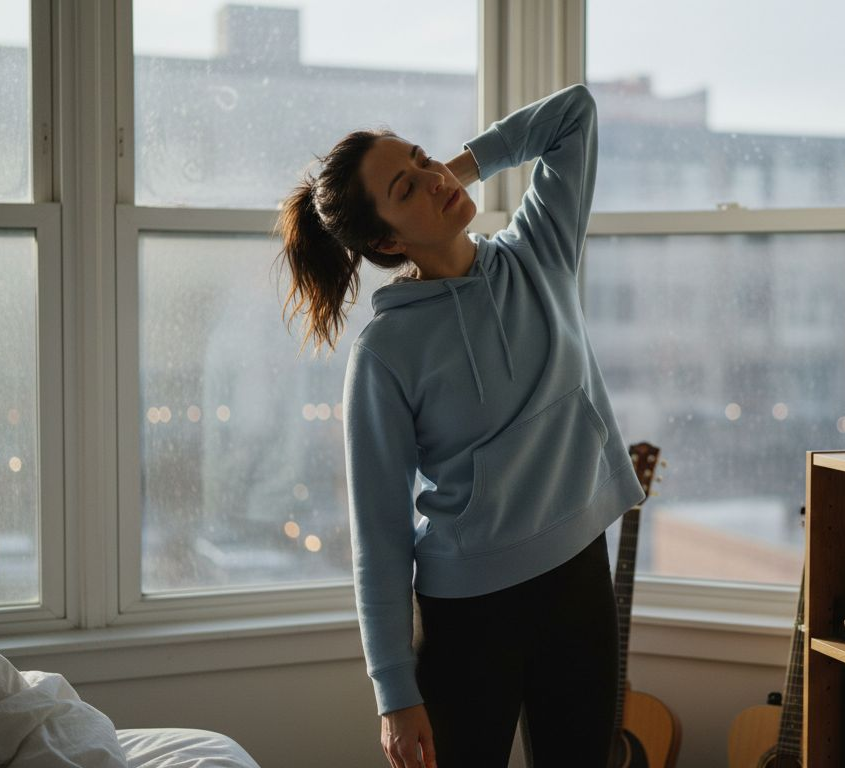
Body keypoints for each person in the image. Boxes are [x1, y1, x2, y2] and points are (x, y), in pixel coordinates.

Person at [275, 84, 644, 768]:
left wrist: (458, 169)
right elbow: (379, 536)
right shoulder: (385, 353)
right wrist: (393, 693)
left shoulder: (542, 249)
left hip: (579, 578)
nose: (432, 178)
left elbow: (574, 115)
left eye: (423, 159)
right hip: (468, 615)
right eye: (405, 188)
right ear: (386, 238)